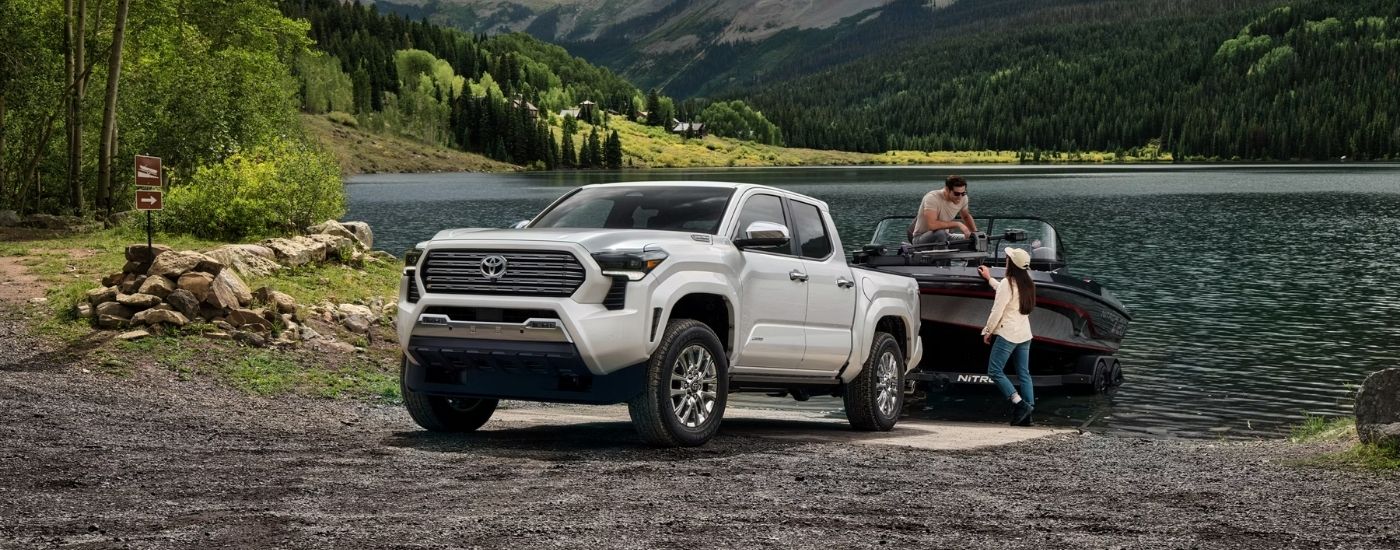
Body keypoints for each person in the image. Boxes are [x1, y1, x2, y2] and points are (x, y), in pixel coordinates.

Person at [977, 247, 1036, 426]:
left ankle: (1019, 404)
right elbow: (1005, 293)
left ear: (1012, 264)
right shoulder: (1028, 283)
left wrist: (988, 330)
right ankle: (1029, 412)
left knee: (994, 371)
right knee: (1024, 373)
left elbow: (997, 310)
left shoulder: (1007, 283)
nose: (1006, 259)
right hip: (1024, 334)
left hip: (1008, 334)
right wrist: (990, 279)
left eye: (1008, 258)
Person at [911, 175, 977, 245]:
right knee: (940, 233)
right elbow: (932, 225)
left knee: (974, 239)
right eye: (956, 194)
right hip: (921, 239)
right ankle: (944, 251)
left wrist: (976, 233)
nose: (960, 197)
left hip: (946, 236)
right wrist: (958, 224)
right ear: (947, 189)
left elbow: (966, 216)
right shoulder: (932, 198)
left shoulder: (963, 198)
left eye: (963, 193)